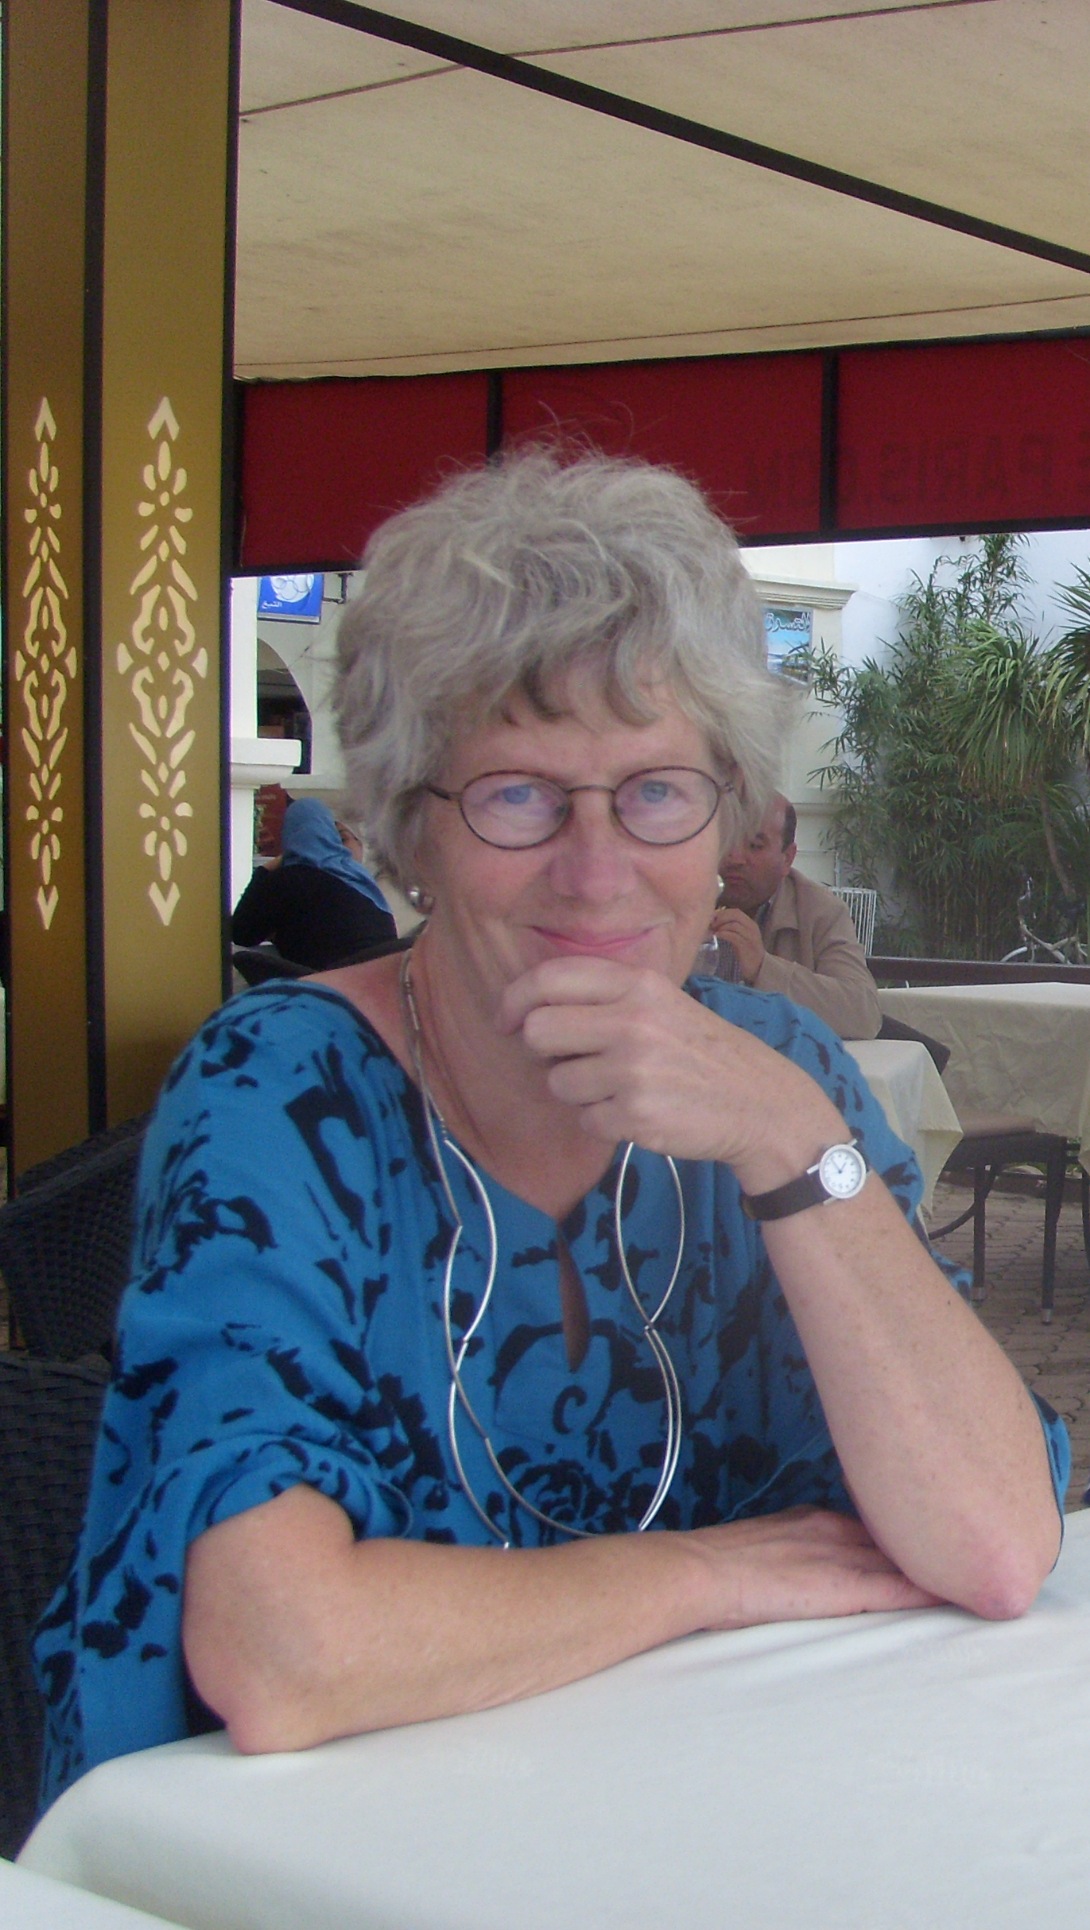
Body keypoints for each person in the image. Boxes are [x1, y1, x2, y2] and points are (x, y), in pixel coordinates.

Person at [35, 449, 1066, 1809]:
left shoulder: (775, 1067)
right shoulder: (281, 1090)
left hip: (692, 1806)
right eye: (516, 793)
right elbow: (282, 1654)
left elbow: (992, 1541)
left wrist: (788, 1140)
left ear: (725, 821)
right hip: (306, 1840)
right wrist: (704, 1574)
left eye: (656, 790)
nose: (596, 870)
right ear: (407, 830)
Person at [709, 794, 882, 1039]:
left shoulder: (819, 911)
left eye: (755, 846)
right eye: (726, 840)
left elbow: (862, 1013)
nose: (734, 858)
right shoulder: (676, 899)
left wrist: (762, 967)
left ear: (787, 858)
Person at [231, 795, 397, 970]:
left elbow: (241, 934)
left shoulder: (289, 879)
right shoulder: (359, 877)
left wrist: (263, 871)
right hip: (381, 977)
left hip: (328, 981)